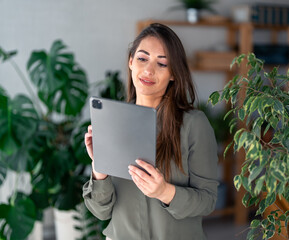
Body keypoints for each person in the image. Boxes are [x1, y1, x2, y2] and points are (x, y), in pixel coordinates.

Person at [83, 23, 219, 240]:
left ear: (173, 73)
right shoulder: (112, 122)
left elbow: (208, 200)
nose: (148, 70)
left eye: (162, 63)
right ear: (130, 62)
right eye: (142, 58)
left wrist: (164, 192)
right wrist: (99, 166)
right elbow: (100, 211)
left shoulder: (194, 125)